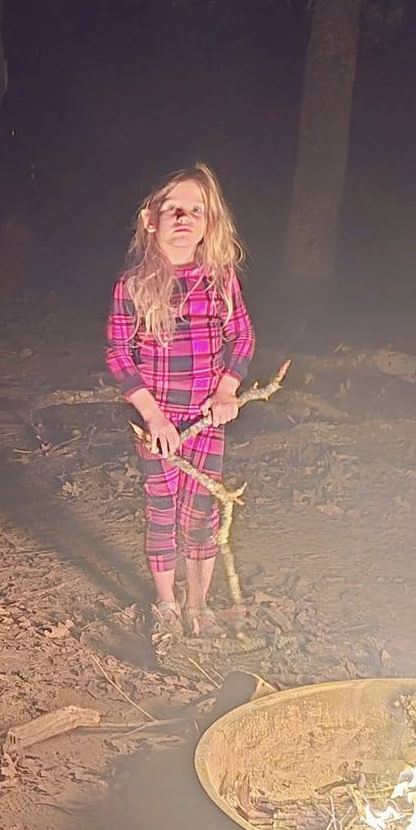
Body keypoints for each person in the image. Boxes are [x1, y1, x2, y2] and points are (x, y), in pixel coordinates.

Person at [104, 164, 255, 643]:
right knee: (163, 511)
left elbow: (243, 338)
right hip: (158, 423)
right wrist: (152, 416)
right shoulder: (132, 284)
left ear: (209, 223)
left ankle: (199, 605)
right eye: (173, 209)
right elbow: (118, 354)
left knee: (202, 514)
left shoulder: (220, 278)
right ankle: (167, 602)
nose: (184, 218)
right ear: (151, 219)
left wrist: (227, 389)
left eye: (196, 210)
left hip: (207, 420)